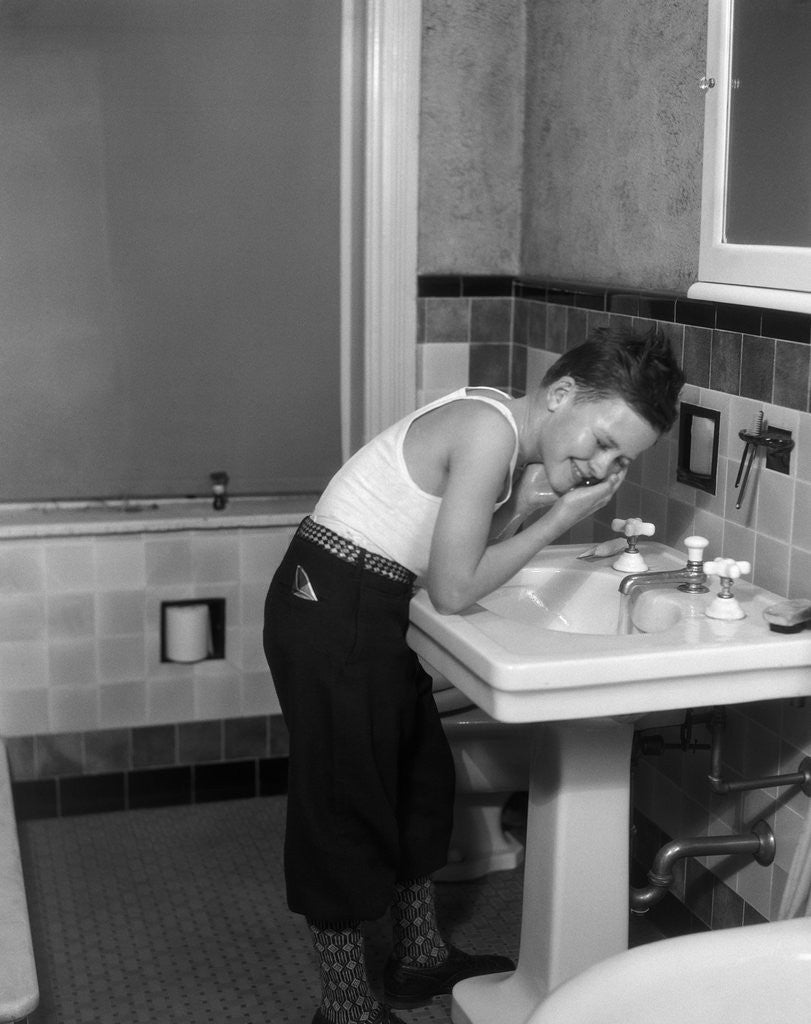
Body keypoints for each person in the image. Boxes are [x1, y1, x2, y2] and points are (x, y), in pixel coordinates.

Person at [263, 325, 683, 1024]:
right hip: (330, 603)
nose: (599, 463)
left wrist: (538, 503)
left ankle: (418, 958)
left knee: (416, 780)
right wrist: (562, 519)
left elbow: (450, 549)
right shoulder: (487, 432)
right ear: (562, 393)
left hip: (366, 597)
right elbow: (454, 590)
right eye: (602, 441)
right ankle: (343, 1008)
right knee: (343, 804)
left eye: (619, 458)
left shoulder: (503, 430)